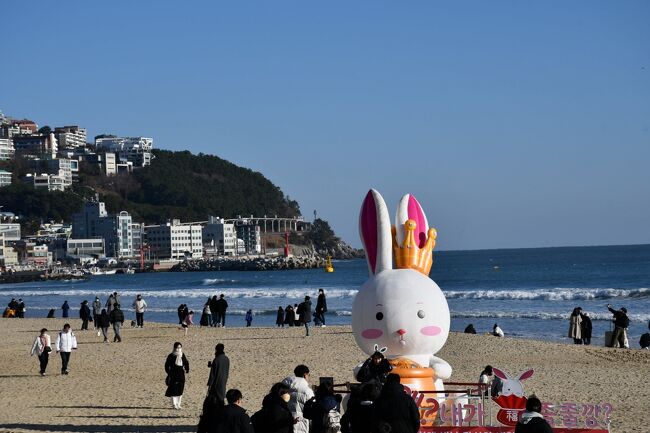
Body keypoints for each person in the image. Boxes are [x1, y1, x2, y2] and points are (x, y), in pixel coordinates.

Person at [282, 364, 315, 433]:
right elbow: (313, 409)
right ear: (305, 375)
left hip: (285, 423)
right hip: (301, 424)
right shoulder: (307, 391)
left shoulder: (284, 388)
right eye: (309, 375)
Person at [165, 342, 190, 409]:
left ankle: (178, 404)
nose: (179, 349)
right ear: (175, 348)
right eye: (177, 347)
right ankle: (174, 404)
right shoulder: (171, 355)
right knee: (173, 389)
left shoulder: (182, 354)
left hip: (181, 374)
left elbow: (186, 362)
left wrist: (187, 369)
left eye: (180, 347)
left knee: (180, 389)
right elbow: (167, 365)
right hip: (173, 374)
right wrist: (168, 373)